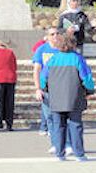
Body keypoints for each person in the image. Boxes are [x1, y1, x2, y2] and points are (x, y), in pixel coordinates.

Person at [40, 34, 95, 162]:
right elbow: (86, 78)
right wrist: (89, 90)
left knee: (58, 126)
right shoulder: (77, 59)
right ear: (73, 44)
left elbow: (43, 78)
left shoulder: (52, 59)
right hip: (74, 97)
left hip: (56, 98)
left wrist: (46, 89)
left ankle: (60, 153)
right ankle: (79, 154)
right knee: (75, 125)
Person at [33, 27, 72, 155]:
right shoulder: (42, 50)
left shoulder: (64, 48)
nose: (55, 36)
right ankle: (55, 144)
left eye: (57, 33)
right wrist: (38, 88)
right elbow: (37, 70)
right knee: (49, 117)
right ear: (48, 37)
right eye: (52, 34)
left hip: (63, 88)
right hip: (47, 89)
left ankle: (67, 144)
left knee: (64, 118)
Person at [32, 36, 48, 135]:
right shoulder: (42, 47)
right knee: (46, 107)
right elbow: (35, 48)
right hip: (44, 82)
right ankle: (44, 127)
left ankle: (47, 127)